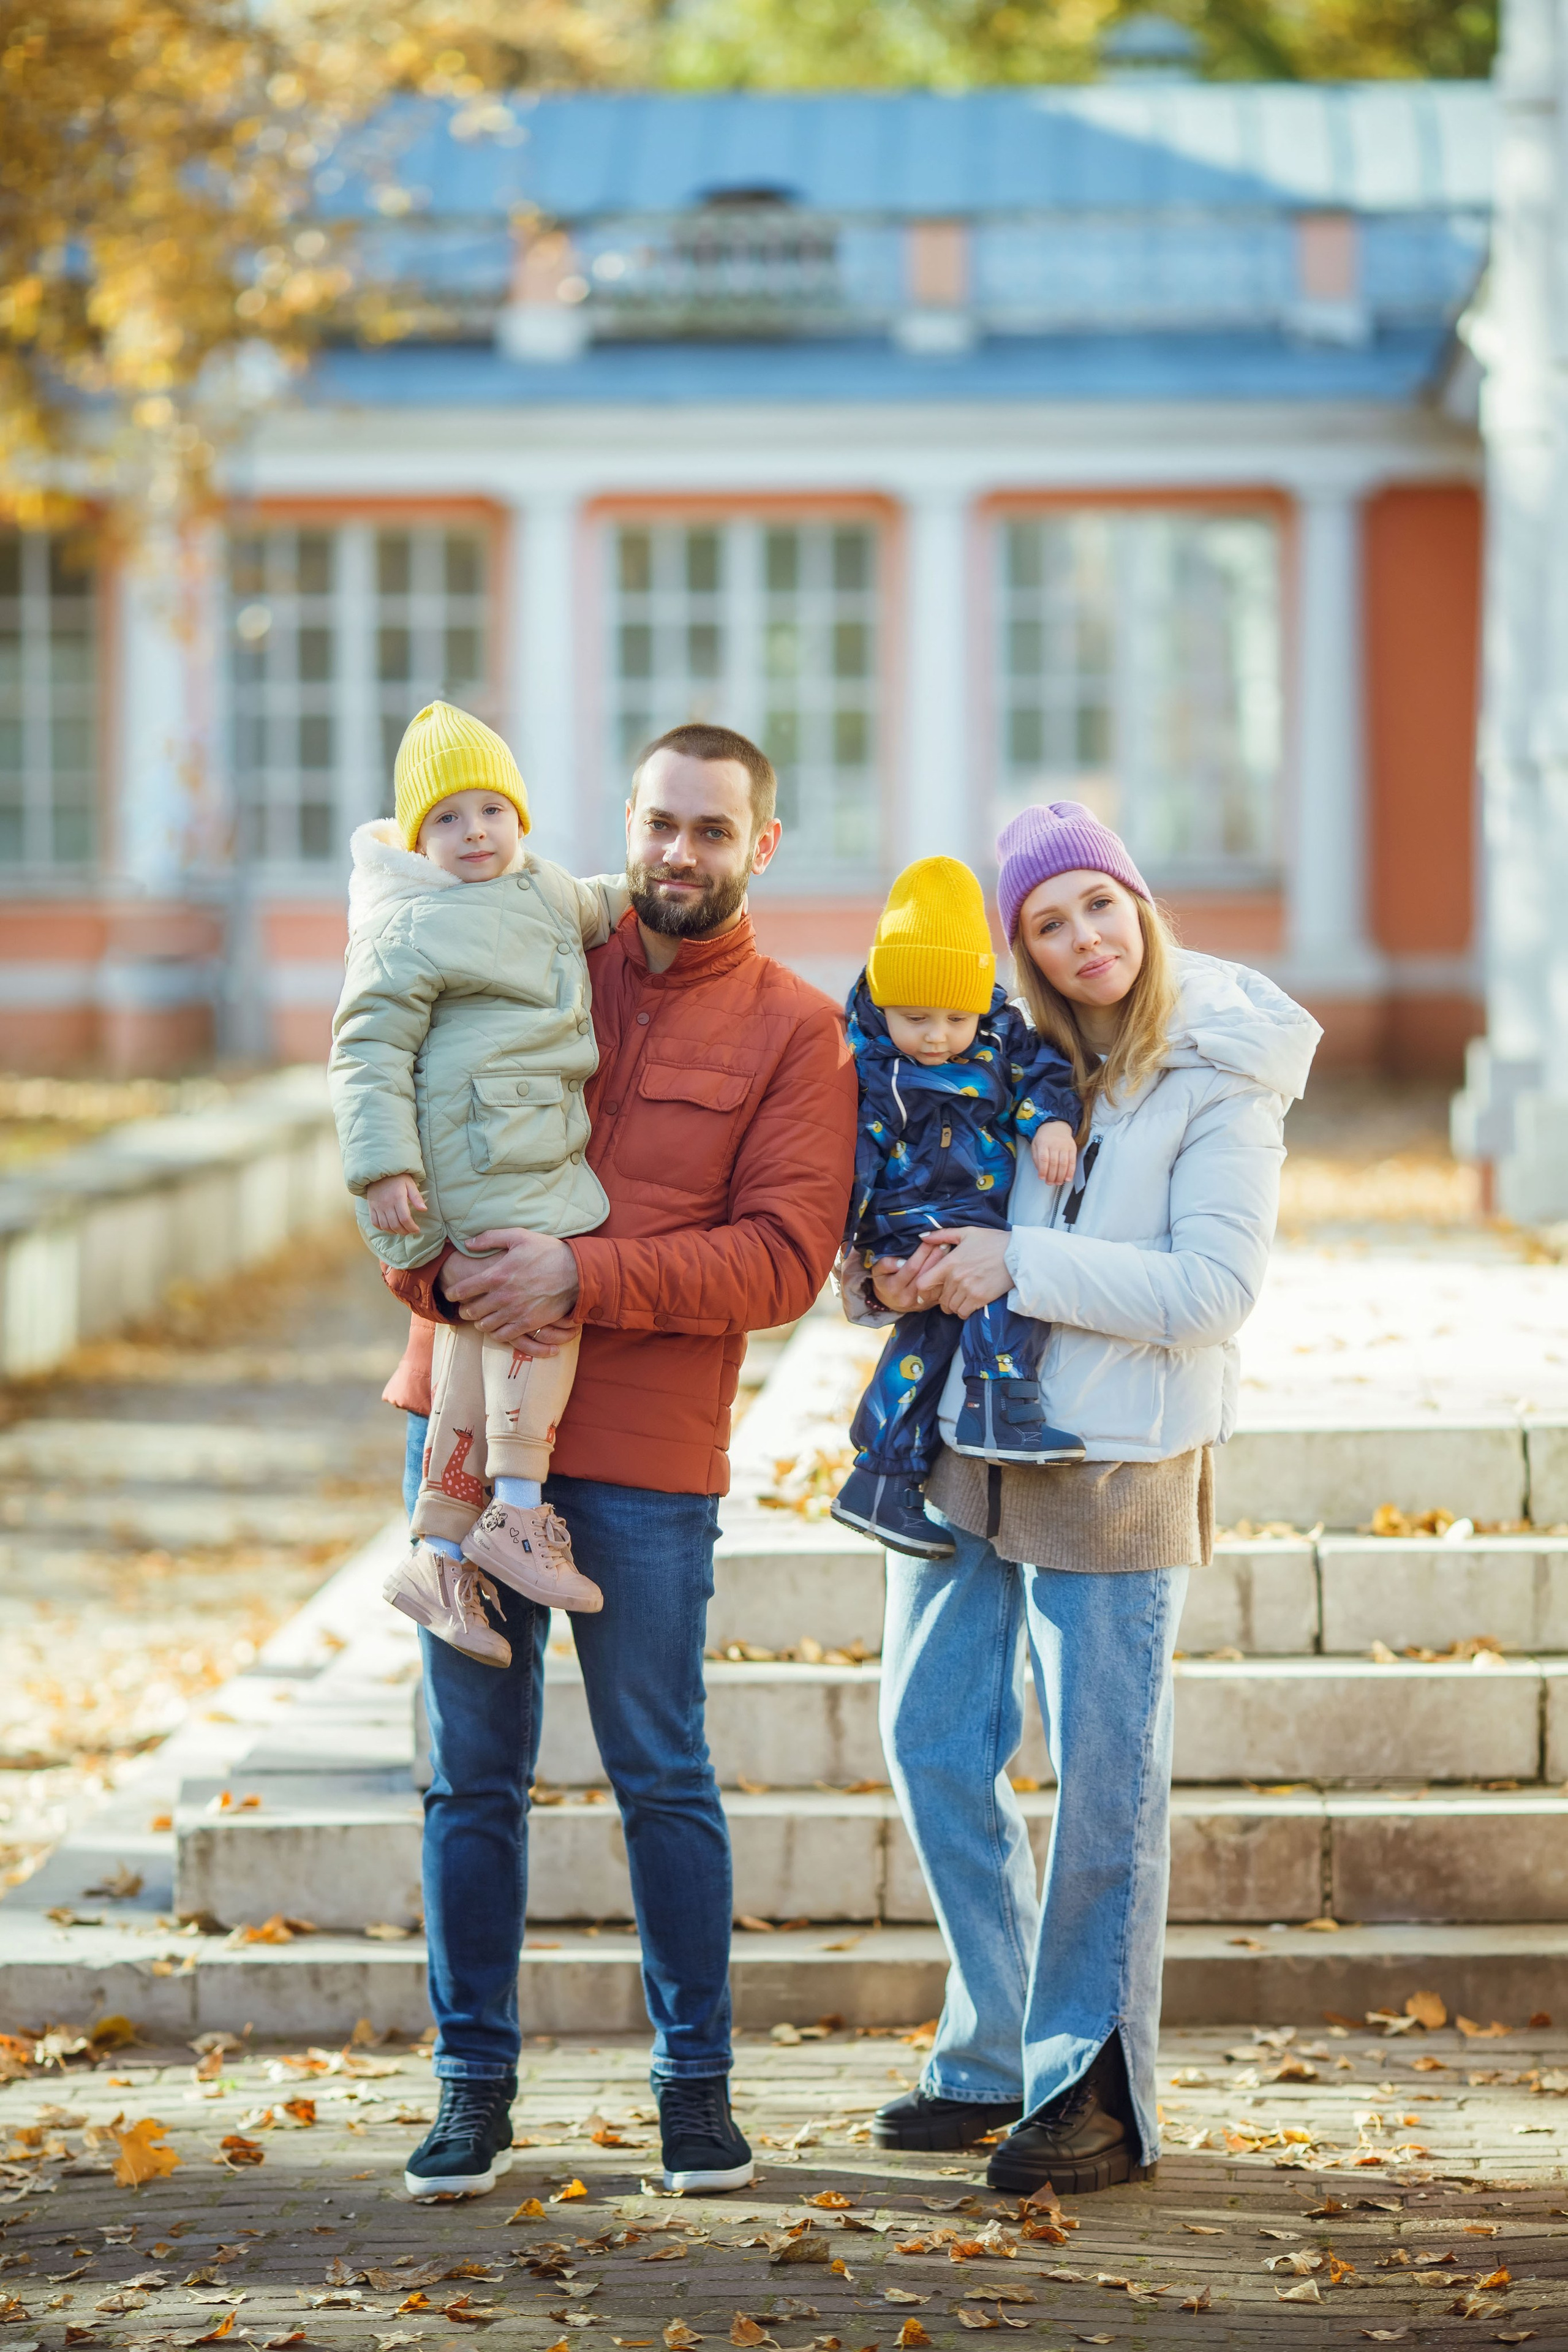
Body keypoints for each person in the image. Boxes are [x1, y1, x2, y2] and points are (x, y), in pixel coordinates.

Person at [383, 722, 858, 2203]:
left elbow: (782, 1257)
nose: (675, 853)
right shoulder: (523, 946)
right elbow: (408, 1126)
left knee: (661, 1772)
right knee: (471, 1777)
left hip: (646, 1456)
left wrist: (580, 1279)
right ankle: (470, 2085)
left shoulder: (795, 1029)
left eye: (711, 831)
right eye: (658, 820)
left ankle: (693, 2090)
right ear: (624, 819)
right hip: (461, 1427)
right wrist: (438, 1277)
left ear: (758, 847)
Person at [858, 800, 1320, 2195]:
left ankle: (1093, 2089)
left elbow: (1212, 1293)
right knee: (931, 1736)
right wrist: (888, 1267)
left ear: (1138, 903)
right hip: (967, 1441)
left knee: (1103, 1780)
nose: (1079, 940)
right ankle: (995, 2044)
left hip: (1116, 1460)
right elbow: (930, 1202)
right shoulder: (1013, 1060)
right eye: (1045, 924)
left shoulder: (1215, 1071)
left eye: (1095, 906)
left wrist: (1019, 1264)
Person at [330, 700, 631, 1646]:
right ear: (418, 840)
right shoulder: (408, 922)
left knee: (468, 1327)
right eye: (448, 820)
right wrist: (382, 1167)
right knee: (541, 1303)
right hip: (479, 1147)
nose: (475, 833)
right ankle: (516, 1506)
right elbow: (367, 1052)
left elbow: (611, 898)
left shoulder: (545, 889)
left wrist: (680, 879)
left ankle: (442, 1554)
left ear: (522, 821)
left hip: (521, 1138)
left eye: (492, 812)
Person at [831, 856, 1085, 1561]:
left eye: (956, 1018)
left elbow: (1043, 1067)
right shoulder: (874, 1068)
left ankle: (882, 1478)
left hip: (980, 1219)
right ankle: (998, 1406)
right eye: (916, 1018)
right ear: (884, 1004)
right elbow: (847, 1158)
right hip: (910, 1220)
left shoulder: (1002, 1036)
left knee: (938, 1335)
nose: (938, 1036)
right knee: (995, 1291)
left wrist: (1049, 1121)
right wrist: (852, 1244)